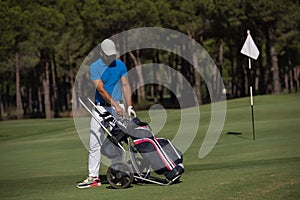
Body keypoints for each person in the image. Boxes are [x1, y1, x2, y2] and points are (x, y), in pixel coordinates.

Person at [77, 39, 136, 188]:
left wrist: (129, 106)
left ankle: (119, 172)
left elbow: (126, 85)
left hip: (119, 107)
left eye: (113, 55)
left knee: (119, 140)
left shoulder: (121, 65)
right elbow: (101, 90)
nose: (111, 58)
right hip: (100, 108)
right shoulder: (95, 67)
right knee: (95, 142)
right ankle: (93, 177)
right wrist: (116, 105)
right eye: (108, 55)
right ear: (101, 53)